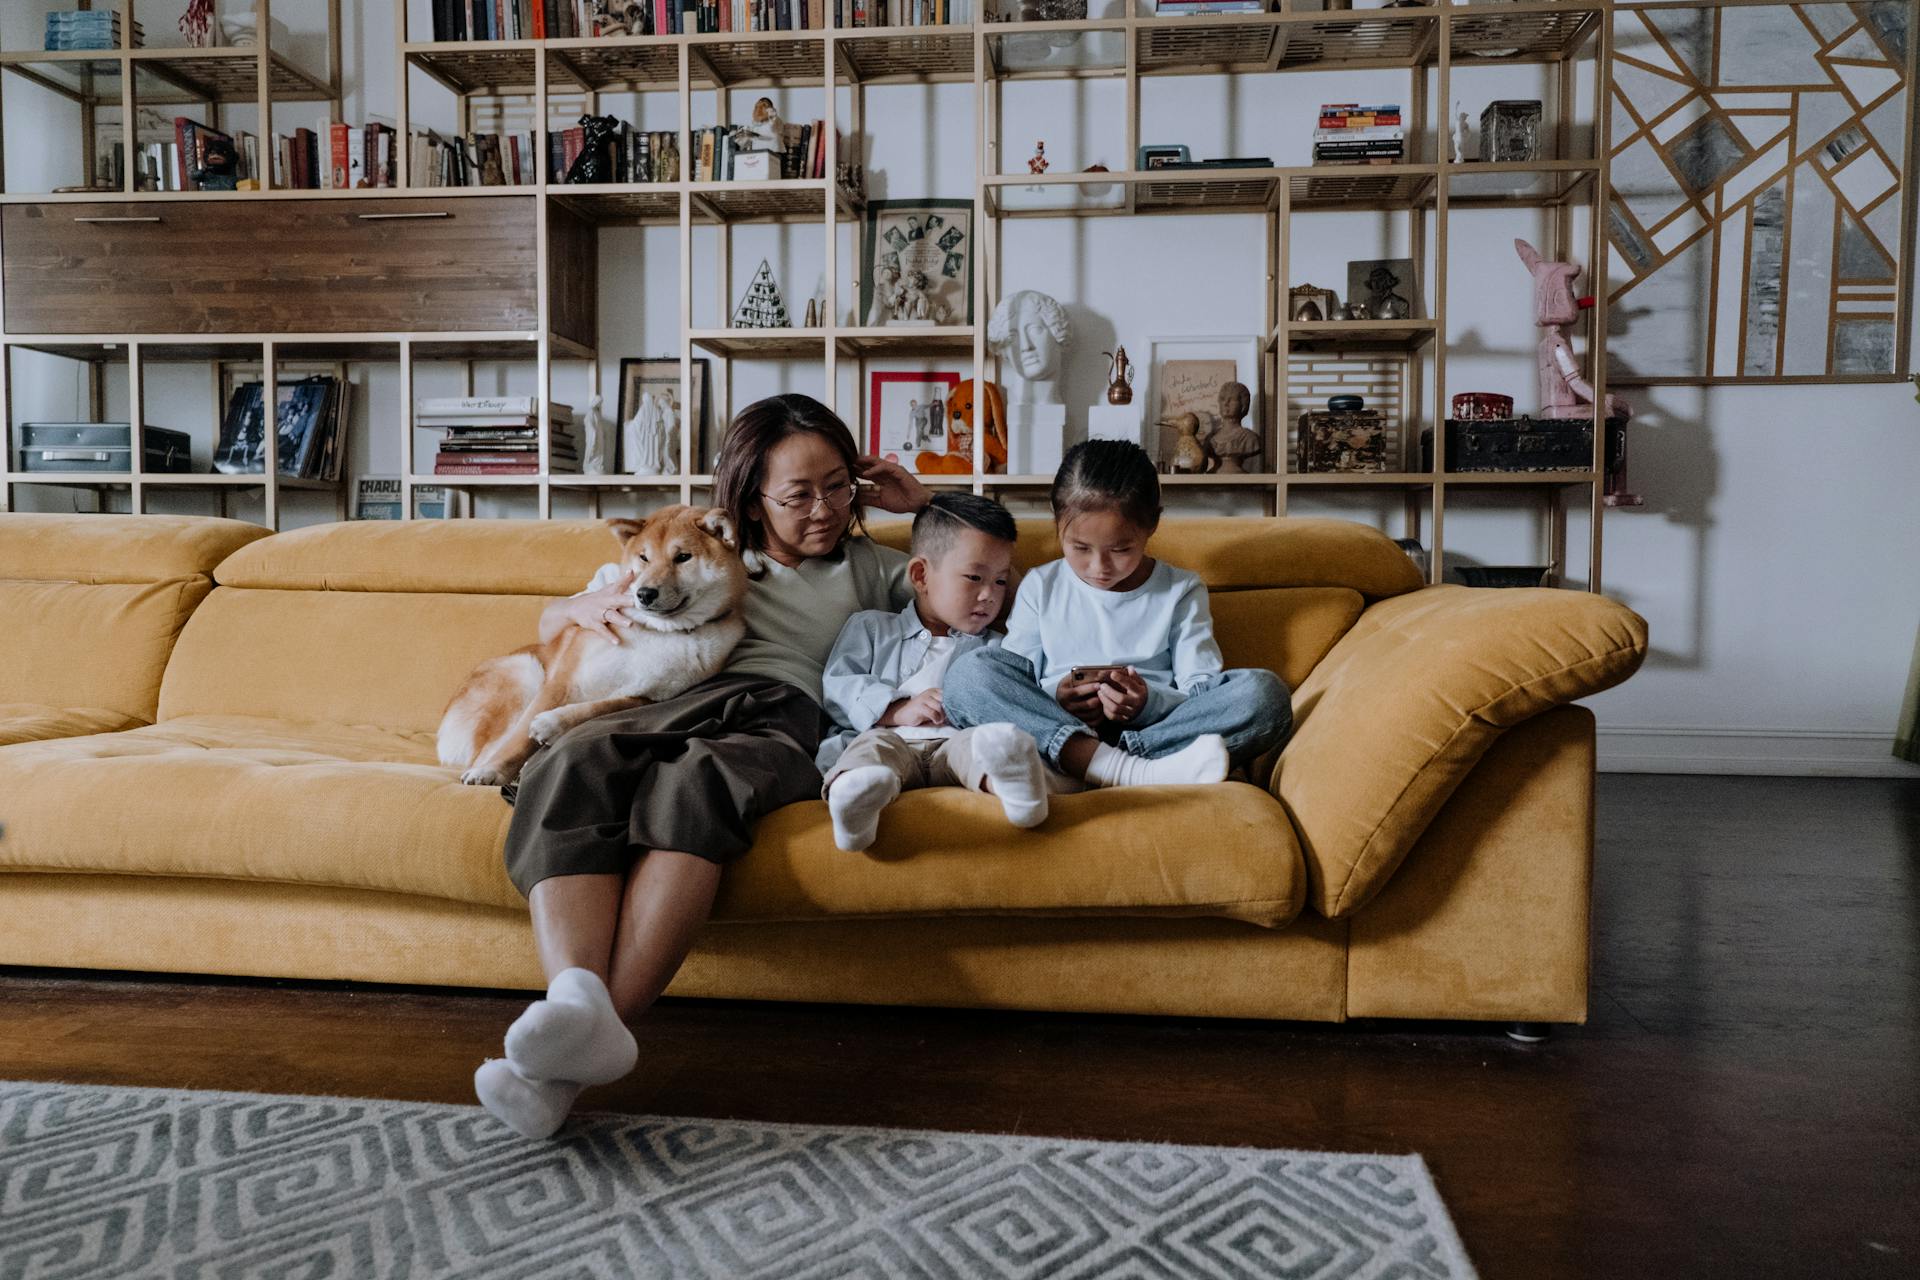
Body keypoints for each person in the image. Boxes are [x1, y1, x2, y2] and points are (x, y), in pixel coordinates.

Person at [475, 392, 931, 1139]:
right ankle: (575, 1010)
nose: (824, 508)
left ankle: (563, 1059)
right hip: (667, 698)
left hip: (777, 714)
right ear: (750, 500)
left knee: (693, 784)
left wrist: (924, 507)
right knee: (571, 760)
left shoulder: (870, 567)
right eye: (798, 495)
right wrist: (569, 613)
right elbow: (564, 616)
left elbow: (974, 583)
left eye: (840, 485)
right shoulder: (689, 545)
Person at [944, 438, 1293, 788]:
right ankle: (1117, 768)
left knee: (1265, 695)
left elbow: (1199, 689)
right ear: (1057, 524)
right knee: (968, 674)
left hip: (1157, 730)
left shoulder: (1181, 590)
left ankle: (1099, 767)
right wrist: (1058, 696)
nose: (1099, 567)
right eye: (1080, 548)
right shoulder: (1041, 585)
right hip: (1056, 726)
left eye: (1121, 549)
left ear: (1151, 526)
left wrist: (1146, 703)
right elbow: (1018, 679)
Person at [818, 492, 1052, 852]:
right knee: (871, 751)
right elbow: (839, 685)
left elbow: (1016, 693)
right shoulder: (872, 628)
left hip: (953, 747)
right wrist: (896, 709)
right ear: (921, 575)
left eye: (1001, 581)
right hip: (890, 743)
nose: (990, 595)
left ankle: (1018, 792)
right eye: (974, 577)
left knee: (982, 746)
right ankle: (857, 805)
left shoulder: (995, 647)